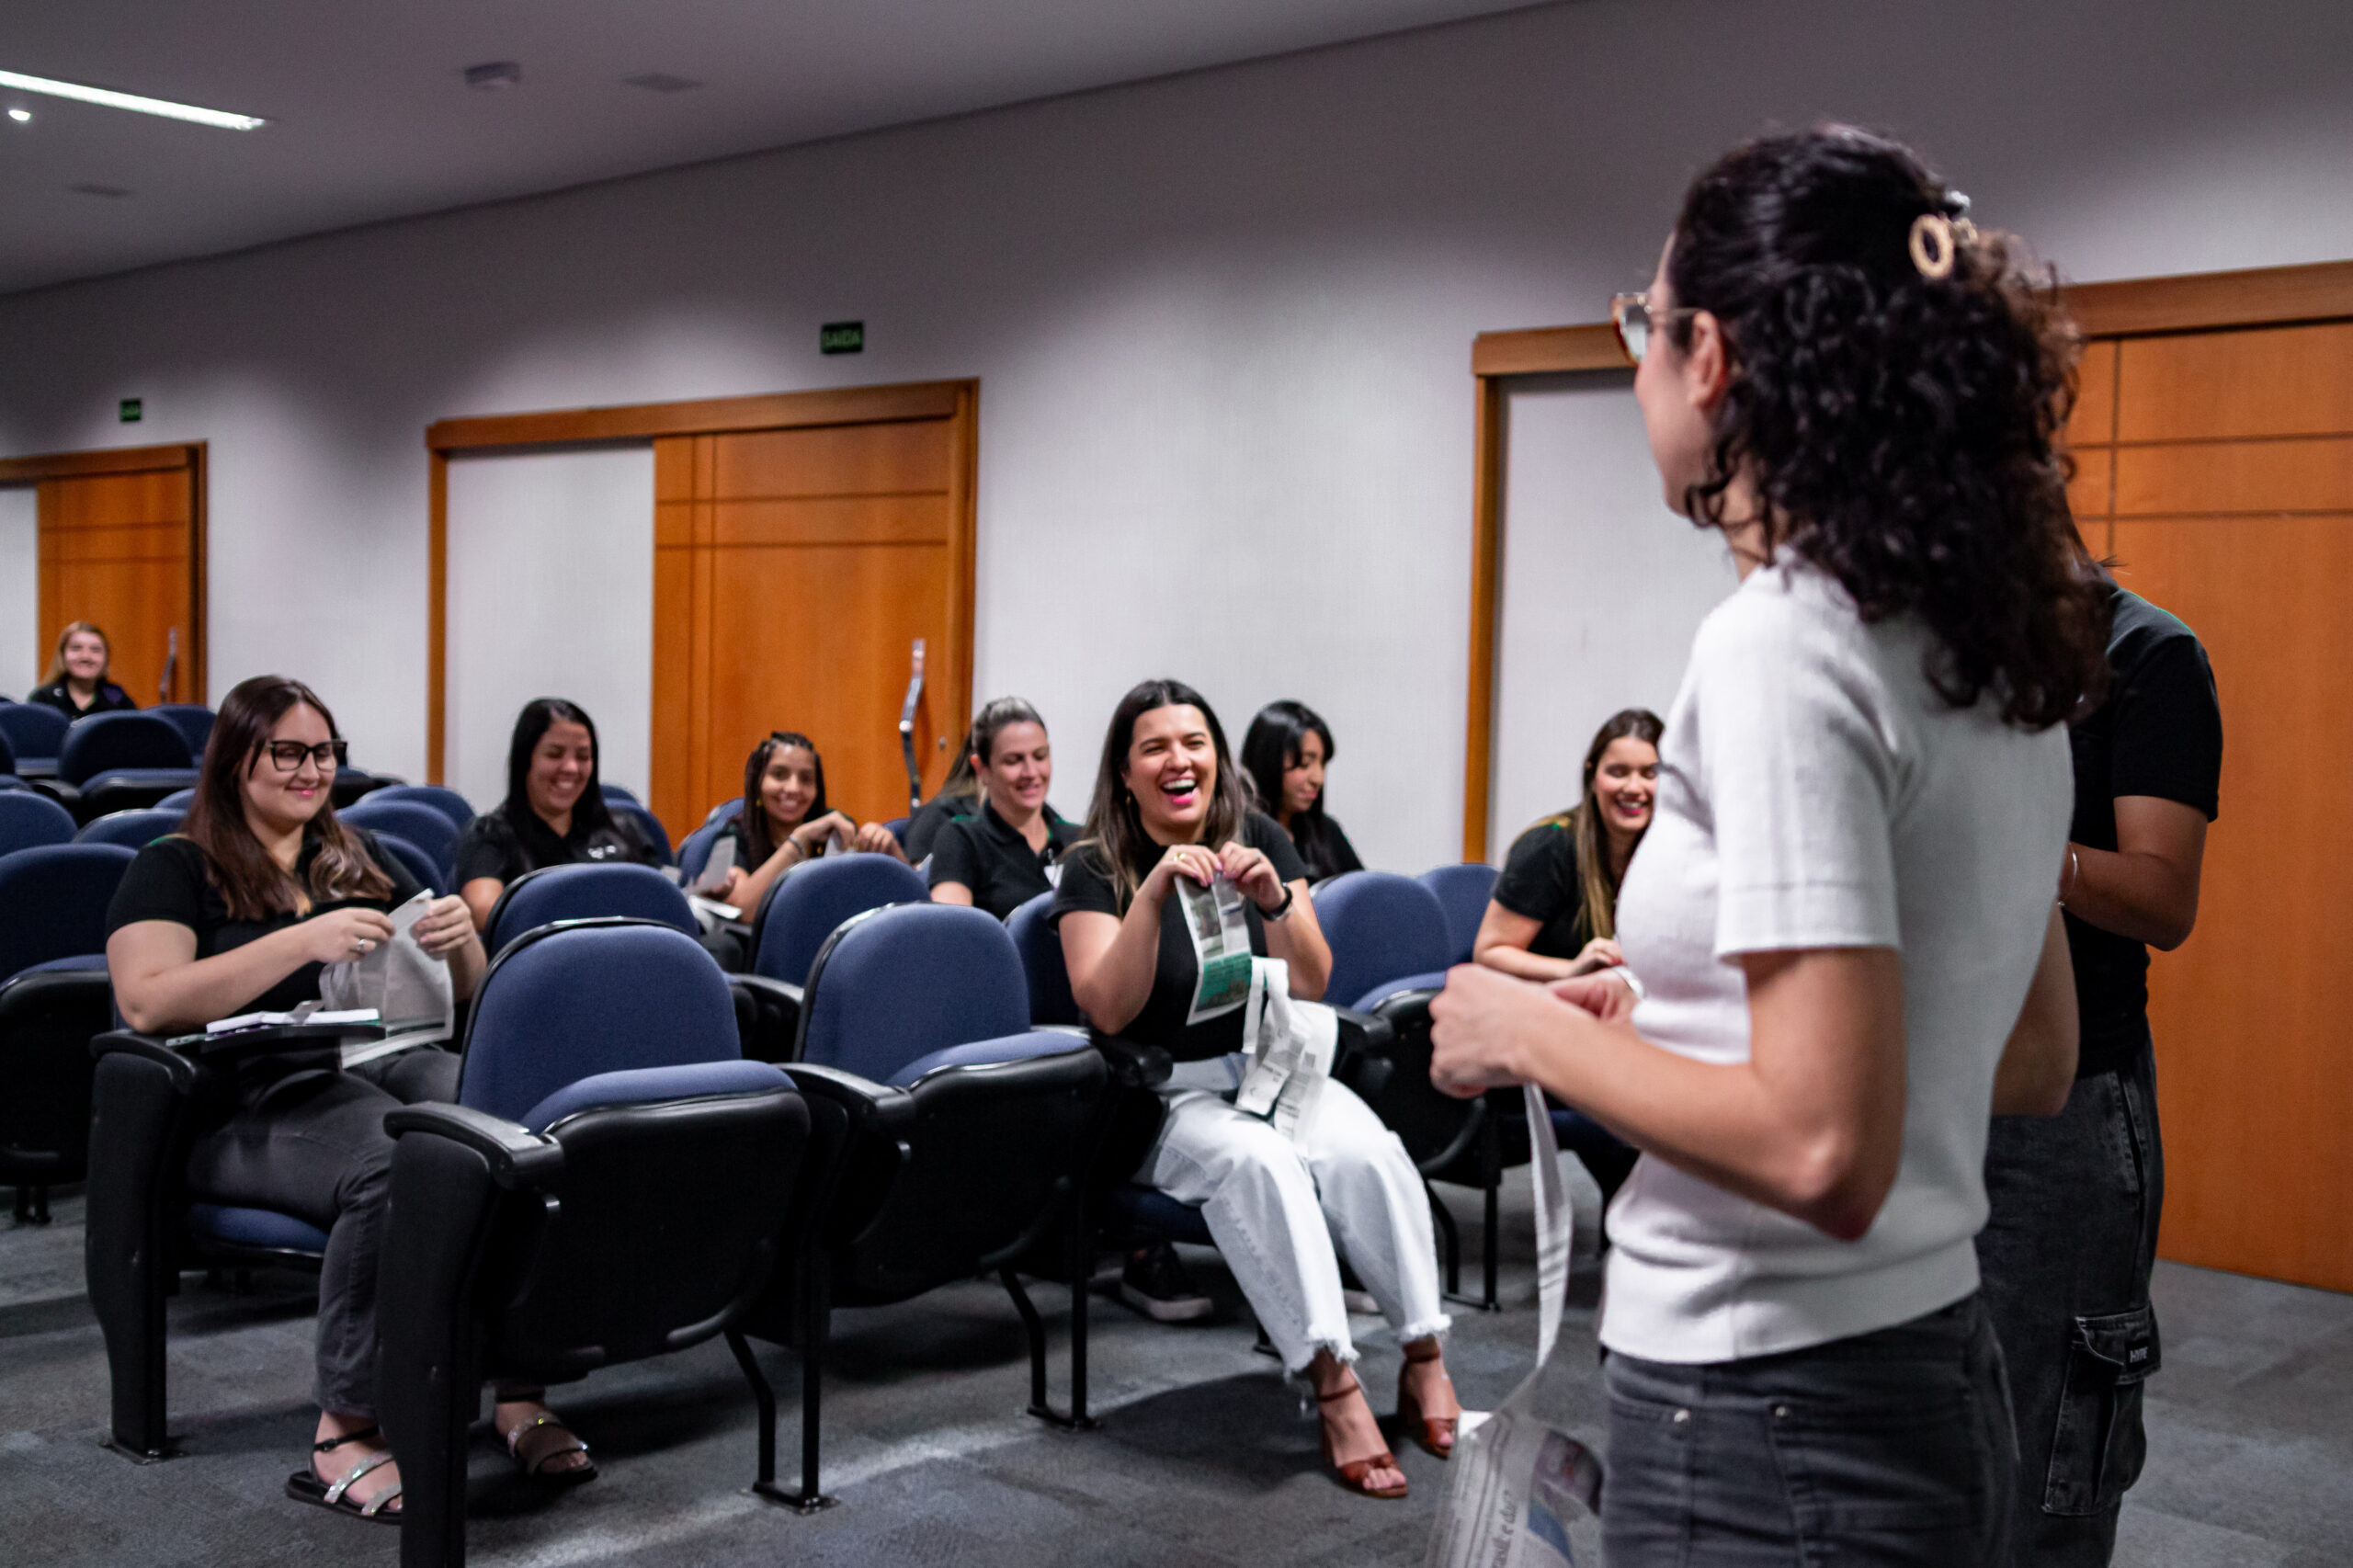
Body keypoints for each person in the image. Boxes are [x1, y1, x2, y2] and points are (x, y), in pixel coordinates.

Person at [1428, 127, 2108, 1565]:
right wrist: (1672, 1031)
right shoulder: (1988, 643)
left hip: (1772, 1405)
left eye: (1644, 322)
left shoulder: (1782, 644)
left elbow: (1821, 1141)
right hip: (1924, 1366)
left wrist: (1524, 1031)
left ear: (1714, 358)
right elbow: (2031, 1048)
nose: (1636, 364)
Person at [103, 676, 592, 1521]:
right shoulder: (175, 866)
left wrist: (460, 945)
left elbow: (465, 993)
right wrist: (301, 938)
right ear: (236, 761)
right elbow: (145, 1000)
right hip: (247, 1102)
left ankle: (517, 1389)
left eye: (323, 752)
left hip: (377, 1064)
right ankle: (345, 1430)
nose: (310, 769)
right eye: (287, 752)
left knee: (511, 1129)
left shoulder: (358, 855)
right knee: (392, 1162)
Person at [1054, 678, 1459, 1501]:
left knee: (1367, 1153)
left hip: (1273, 1062)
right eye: (1156, 747)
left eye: (1194, 743)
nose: (1180, 760)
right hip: (1166, 1096)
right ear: (1126, 774)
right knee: (1260, 1167)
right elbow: (1106, 1005)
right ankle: (1333, 1384)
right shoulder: (1092, 866)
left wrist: (1275, 896)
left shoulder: (1263, 835)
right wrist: (1156, 892)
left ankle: (1424, 1356)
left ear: (1218, 759)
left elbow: (1310, 982)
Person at [1976, 572, 2220, 1567]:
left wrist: (2025, 853)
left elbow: (2163, 898)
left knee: (2049, 1470)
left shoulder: (2145, 654)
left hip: (2068, 1111)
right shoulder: (1928, 641)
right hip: (1927, 1085)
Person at [1473, 708, 1663, 981]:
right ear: (1593, 777)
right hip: (1541, 1006)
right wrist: (1572, 970)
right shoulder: (1549, 845)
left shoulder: (1665, 853)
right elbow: (1489, 953)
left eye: (1649, 774)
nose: (1634, 787)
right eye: (1618, 772)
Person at [454, 699, 659, 933]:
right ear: (525, 760)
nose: (571, 768)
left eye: (583, 757)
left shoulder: (623, 828)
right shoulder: (489, 834)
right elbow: (484, 913)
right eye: (554, 754)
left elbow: (661, 901)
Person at [710, 730, 909, 917]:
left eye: (806, 779)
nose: (793, 788)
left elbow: (911, 896)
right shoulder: (735, 832)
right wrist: (799, 840)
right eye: (779, 775)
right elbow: (744, 911)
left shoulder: (837, 826)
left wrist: (890, 849)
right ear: (758, 781)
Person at [926, 698, 1079, 920]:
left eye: (1040, 756)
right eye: (1013, 761)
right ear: (982, 770)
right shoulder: (961, 839)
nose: (1031, 772)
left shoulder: (1080, 841)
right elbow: (951, 935)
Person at [1240, 700, 1362, 881]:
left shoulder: (1326, 831)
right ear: (1268, 761)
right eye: (1305, 764)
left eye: (1322, 764)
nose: (1318, 779)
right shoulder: (1239, 835)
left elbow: (1362, 894)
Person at [27, 620, 138, 719]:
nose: (85, 657)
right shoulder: (44, 699)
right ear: (62, 655)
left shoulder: (117, 699)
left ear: (106, 658)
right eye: (76, 648)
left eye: (95, 650)